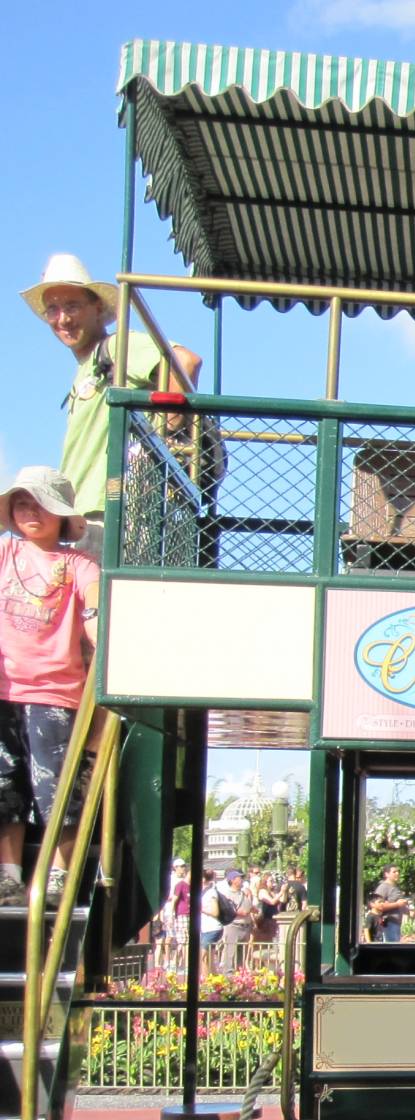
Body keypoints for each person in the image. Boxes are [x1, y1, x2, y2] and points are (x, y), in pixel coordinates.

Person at [22, 255, 204, 559]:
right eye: (53, 308)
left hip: (113, 508)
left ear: (97, 308)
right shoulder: (88, 366)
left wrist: (166, 433)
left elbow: (186, 361)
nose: (63, 318)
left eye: (72, 306)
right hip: (88, 512)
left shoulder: (118, 346)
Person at [0, 468, 102, 907]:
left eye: (39, 504)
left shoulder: (76, 563)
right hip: (6, 689)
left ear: (60, 515)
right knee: (5, 783)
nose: (29, 512)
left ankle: (58, 874)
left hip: (53, 690)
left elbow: (94, 600)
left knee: (56, 788)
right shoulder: (6, 554)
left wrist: (97, 622)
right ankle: (9, 872)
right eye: (21, 503)